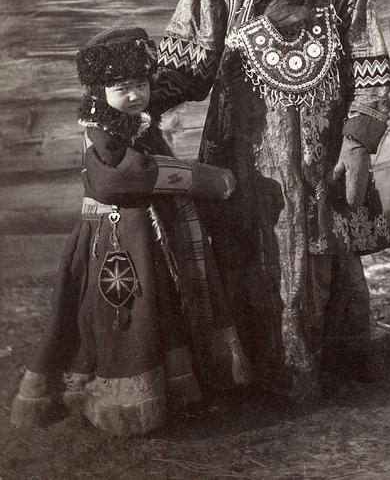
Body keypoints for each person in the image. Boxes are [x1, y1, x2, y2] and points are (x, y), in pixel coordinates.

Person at [152, 0, 390, 403]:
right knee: (246, 244)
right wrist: (140, 105)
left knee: (320, 243)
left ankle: (319, 365)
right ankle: (249, 371)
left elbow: (371, 63)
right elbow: (188, 58)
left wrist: (358, 144)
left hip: (321, 143)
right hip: (243, 146)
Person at [11, 27, 248, 436]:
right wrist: (200, 178)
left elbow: (148, 163)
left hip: (147, 237)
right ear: (99, 90)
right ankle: (119, 402)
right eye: (123, 88)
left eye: (141, 84)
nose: (136, 95)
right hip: (114, 240)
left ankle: (170, 392)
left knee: (158, 309)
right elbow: (117, 181)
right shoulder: (100, 131)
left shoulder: (136, 122)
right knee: (122, 314)